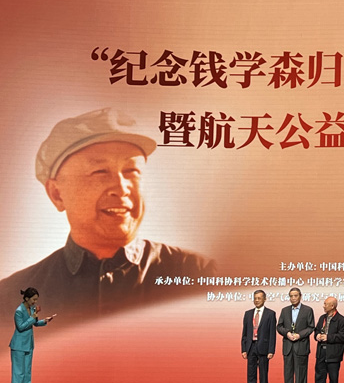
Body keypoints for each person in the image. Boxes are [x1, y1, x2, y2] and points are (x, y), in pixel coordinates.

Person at [0, 108, 216, 321]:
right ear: (56, 194)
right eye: (100, 172)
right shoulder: (11, 297)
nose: (121, 189)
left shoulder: (199, 275)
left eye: (132, 171)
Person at [9, 287, 56, 383]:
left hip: (28, 344)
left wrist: (44, 321)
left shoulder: (32, 309)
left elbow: (34, 323)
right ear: (26, 298)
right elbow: (21, 327)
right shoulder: (19, 311)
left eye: (36, 300)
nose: (35, 302)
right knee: (18, 373)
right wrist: (32, 317)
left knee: (27, 373)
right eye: (33, 299)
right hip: (18, 345)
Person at [276, 287, 315, 383]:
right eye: (291, 296)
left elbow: (311, 327)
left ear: (300, 296)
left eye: (295, 296)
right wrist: (287, 333)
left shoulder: (307, 310)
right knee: (288, 374)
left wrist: (299, 335)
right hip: (288, 346)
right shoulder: (285, 310)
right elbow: (279, 326)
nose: (293, 298)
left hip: (301, 346)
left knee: (300, 374)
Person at [241, 289, 276, 383]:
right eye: (255, 298)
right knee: (251, 374)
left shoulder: (270, 314)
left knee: (263, 374)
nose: (256, 300)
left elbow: (272, 334)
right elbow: (244, 333)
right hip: (251, 347)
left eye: (259, 298)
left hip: (263, 347)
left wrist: (271, 350)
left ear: (264, 299)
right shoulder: (248, 313)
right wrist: (244, 349)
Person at [311, 296, 344, 383]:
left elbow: (342, 336)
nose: (324, 306)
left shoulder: (341, 319)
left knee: (333, 378)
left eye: (325, 304)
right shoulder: (322, 318)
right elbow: (316, 330)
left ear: (332, 306)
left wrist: (328, 337)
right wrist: (317, 335)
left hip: (334, 353)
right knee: (319, 377)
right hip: (321, 352)